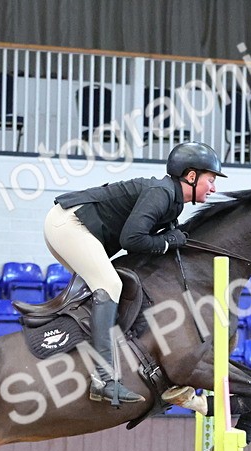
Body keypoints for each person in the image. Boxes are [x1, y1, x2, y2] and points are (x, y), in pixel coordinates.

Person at [45, 142, 226, 407]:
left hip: (74, 227)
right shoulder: (161, 193)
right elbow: (132, 239)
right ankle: (103, 380)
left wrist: (170, 238)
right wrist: (167, 241)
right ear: (191, 176)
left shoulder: (173, 202)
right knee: (109, 284)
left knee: (110, 286)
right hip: (68, 224)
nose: (213, 188)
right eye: (210, 180)